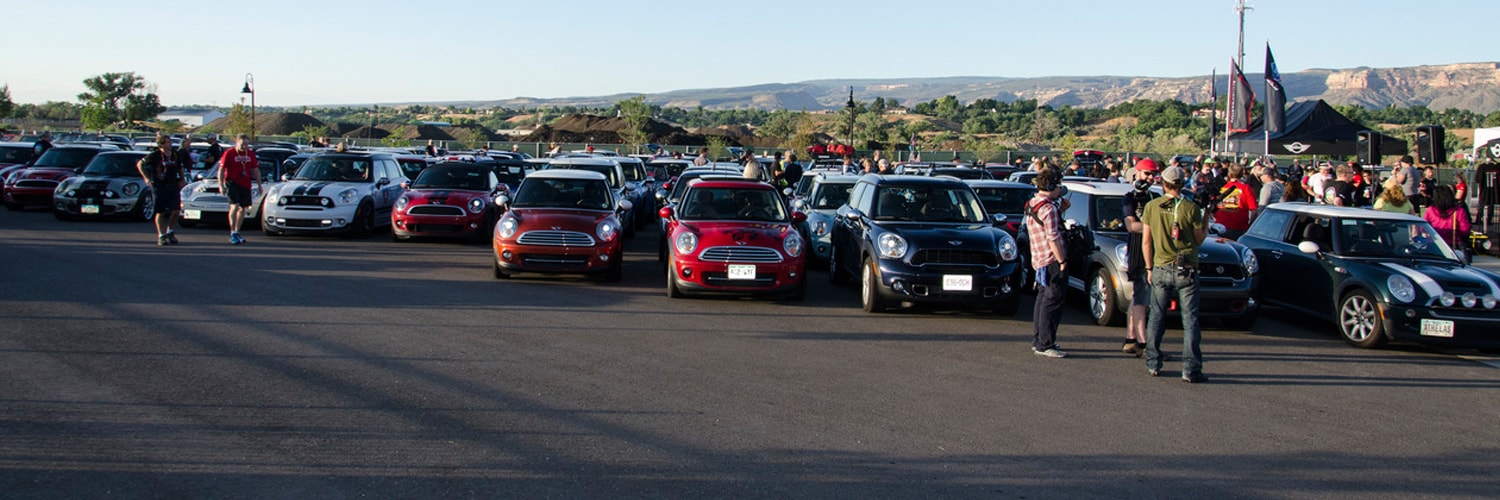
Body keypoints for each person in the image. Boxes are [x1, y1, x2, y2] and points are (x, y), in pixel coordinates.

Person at [1141, 165, 1210, 383]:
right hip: (1186, 268)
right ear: (1183, 183)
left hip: (1160, 266)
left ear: (1163, 183)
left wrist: (1149, 267)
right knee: (1189, 320)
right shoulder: (1190, 208)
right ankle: (1190, 369)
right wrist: (1207, 215)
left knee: (1156, 317)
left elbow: (1146, 241)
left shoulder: (1152, 207)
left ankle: (1153, 362)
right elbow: (1199, 239)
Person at [1025, 168, 1069, 358]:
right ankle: (1046, 343)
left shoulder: (1033, 204)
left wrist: (1061, 210)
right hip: (1051, 259)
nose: (1060, 189)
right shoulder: (1048, 208)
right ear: (1051, 186)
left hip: (1038, 258)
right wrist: (1062, 260)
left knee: (1042, 301)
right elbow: (1053, 236)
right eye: (1058, 185)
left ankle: (1040, 339)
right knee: (1052, 302)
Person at [1121, 158, 1159, 356]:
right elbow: (1131, 226)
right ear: (1137, 173)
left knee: (1139, 297)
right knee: (1141, 298)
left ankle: (1131, 338)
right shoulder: (1130, 198)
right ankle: (1144, 343)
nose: (1150, 178)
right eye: (1147, 174)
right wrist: (1156, 228)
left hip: (1152, 248)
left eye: (1153, 174)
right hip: (1137, 250)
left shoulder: (1155, 196)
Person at [137, 136, 186, 246]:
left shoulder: (175, 154)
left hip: (173, 184)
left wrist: (182, 179)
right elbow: (140, 164)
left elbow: (180, 167)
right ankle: (161, 235)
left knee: (176, 209)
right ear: (162, 144)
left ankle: (170, 231)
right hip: (160, 186)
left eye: (170, 142)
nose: (170, 144)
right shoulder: (155, 155)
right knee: (161, 211)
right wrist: (146, 178)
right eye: (168, 142)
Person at [217, 134, 261, 245]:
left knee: (243, 208)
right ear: (236, 143)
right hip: (232, 183)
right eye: (242, 144)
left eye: (246, 144)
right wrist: (221, 185)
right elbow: (221, 170)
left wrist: (259, 185)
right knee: (234, 205)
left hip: (245, 184)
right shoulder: (229, 153)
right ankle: (232, 231)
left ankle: (237, 231)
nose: (244, 147)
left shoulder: (250, 154)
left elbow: (255, 169)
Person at [1213, 165, 1257, 239]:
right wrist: (1250, 224)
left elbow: (1212, 206)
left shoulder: (1222, 187)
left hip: (1220, 225)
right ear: (1242, 174)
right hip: (1239, 226)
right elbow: (1254, 210)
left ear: (1229, 174)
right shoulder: (1246, 189)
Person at [1424, 185, 1471, 252]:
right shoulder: (1458, 211)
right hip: (1453, 244)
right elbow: (1465, 229)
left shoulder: (1430, 210)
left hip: (1434, 244)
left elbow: (1423, 228)